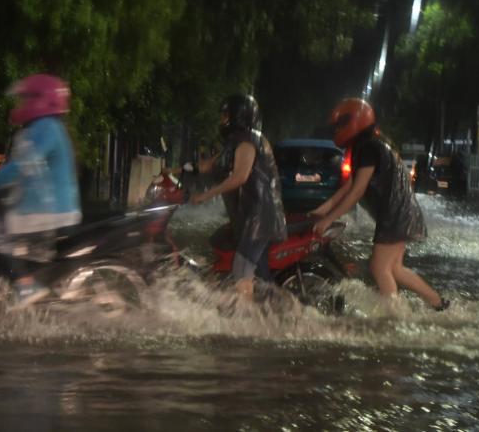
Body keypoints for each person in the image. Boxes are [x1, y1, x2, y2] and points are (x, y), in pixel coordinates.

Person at [311, 98, 449, 311]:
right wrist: (323, 210)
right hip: (402, 213)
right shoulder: (370, 145)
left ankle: (395, 315)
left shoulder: (367, 148)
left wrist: (328, 219)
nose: (337, 130)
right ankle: (438, 304)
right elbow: (349, 186)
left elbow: (356, 191)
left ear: (354, 121)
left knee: (379, 267)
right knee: (394, 268)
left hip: (395, 215)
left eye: (340, 125)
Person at [0, 74, 82, 304]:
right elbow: (26, 172)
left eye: (26, 99)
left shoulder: (45, 127)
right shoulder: (45, 127)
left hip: (47, 210)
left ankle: (25, 286)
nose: (21, 104)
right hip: (44, 205)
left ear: (40, 100)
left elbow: (20, 168)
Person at [189, 93, 286, 300]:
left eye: (225, 115)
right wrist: (173, 171)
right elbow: (208, 166)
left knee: (241, 269)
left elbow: (240, 177)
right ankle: (275, 310)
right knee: (260, 274)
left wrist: (205, 196)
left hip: (261, 216)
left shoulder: (248, 142)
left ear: (238, 116)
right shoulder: (237, 142)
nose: (222, 120)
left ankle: (246, 318)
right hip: (252, 214)